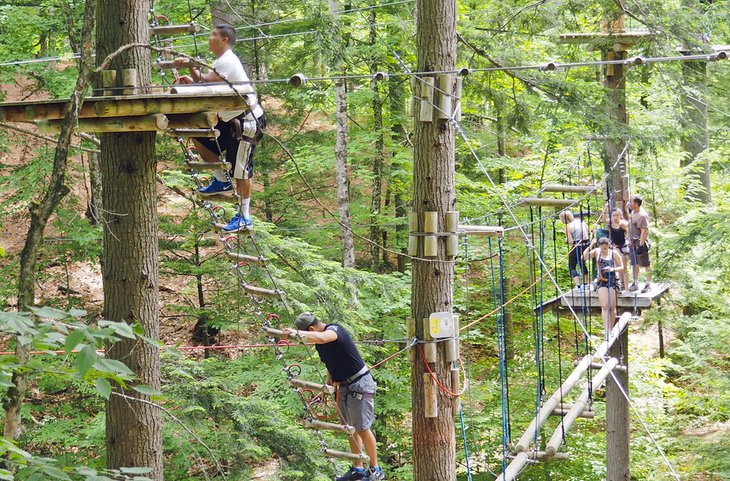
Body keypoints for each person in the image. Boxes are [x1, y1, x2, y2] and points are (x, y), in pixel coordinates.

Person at [174, 24, 265, 232]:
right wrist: (192, 73)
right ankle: (221, 180)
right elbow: (207, 85)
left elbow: (206, 81)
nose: (209, 38)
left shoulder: (228, 61)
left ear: (224, 40)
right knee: (200, 138)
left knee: (241, 171)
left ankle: (244, 216)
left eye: (213, 35)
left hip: (246, 122)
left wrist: (191, 65)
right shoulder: (220, 61)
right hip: (229, 120)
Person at [283, 313, 384, 481]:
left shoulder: (334, 330)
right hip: (343, 385)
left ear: (311, 329)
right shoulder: (319, 344)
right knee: (349, 427)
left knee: (362, 427)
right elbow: (331, 363)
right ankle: (357, 468)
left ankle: (376, 469)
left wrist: (299, 334)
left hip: (359, 383)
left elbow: (323, 337)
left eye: (307, 335)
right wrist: (327, 383)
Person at [583, 237, 623, 335]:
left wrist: (612, 269)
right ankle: (607, 330)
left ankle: (611, 328)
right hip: (601, 281)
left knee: (612, 307)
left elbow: (622, 267)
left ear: (608, 246)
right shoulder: (597, 252)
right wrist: (591, 244)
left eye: (605, 248)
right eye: (602, 248)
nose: (603, 250)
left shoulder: (614, 253)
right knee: (604, 306)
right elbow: (584, 257)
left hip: (612, 280)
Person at [559, 210, 591, 288]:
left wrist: (567, 239)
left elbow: (570, 241)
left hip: (577, 245)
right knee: (582, 263)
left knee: (572, 266)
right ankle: (586, 284)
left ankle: (578, 285)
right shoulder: (581, 221)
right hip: (586, 245)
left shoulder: (567, 227)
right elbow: (589, 232)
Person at [628, 195, 652, 293]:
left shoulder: (642, 215)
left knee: (646, 263)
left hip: (639, 242)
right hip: (632, 242)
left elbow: (644, 231)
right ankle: (636, 282)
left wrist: (641, 245)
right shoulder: (633, 212)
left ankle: (648, 284)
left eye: (631, 202)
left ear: (636, 204)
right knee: (635, 263)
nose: (629, 204)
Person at [607, 207, 630, 292]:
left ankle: (626, 289)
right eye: (614, 215)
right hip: (614, 247)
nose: (615, 217)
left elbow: (627, 225)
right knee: (617, 267)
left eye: (617, 215)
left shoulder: (622, 224)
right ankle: (620, 286)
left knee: (624, 268)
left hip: (623, 247)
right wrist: (605, 207)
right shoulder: (610, 223)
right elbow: (604, 218)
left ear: (620, 216)